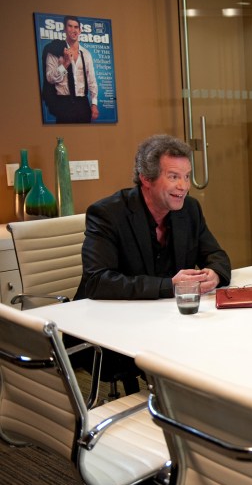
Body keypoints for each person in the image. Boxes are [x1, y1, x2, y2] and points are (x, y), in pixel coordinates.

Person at [74, 134, 232, 392]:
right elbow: (97, 281)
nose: (184, 186)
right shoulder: (107, 214)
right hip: (112, 331)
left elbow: (217, 255)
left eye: (186, 176)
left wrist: (214, 273)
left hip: (167, 323)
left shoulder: (189, 210)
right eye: (173, 177)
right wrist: (170, 285)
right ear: (146, 179)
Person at [43, 15, 99, 124]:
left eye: (76, 27)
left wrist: (94, 104)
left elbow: (91, 80)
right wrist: (65, 64)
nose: (73, 30)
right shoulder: (54, 50)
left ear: (80, 30)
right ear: (65, 28)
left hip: (83, 103)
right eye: (70, 26)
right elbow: (50, 78)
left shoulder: (86, 54)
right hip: (64, 103)